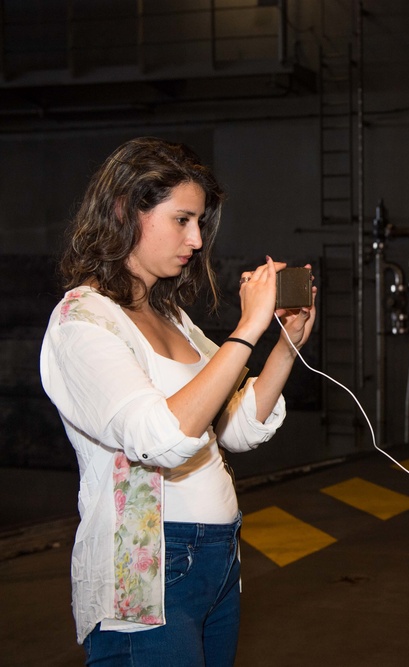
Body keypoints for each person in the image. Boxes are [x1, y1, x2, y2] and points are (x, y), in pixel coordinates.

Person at [39, 137, 317, 665]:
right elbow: (157, 439)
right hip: (150, 573)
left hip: (219, 560)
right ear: (125, 210)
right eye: (182, 219)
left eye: (200, 223)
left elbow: (233, 427)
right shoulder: (82, 322)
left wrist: (284, 345)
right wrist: (248, 328)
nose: (195, 239)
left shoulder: (172, 318)